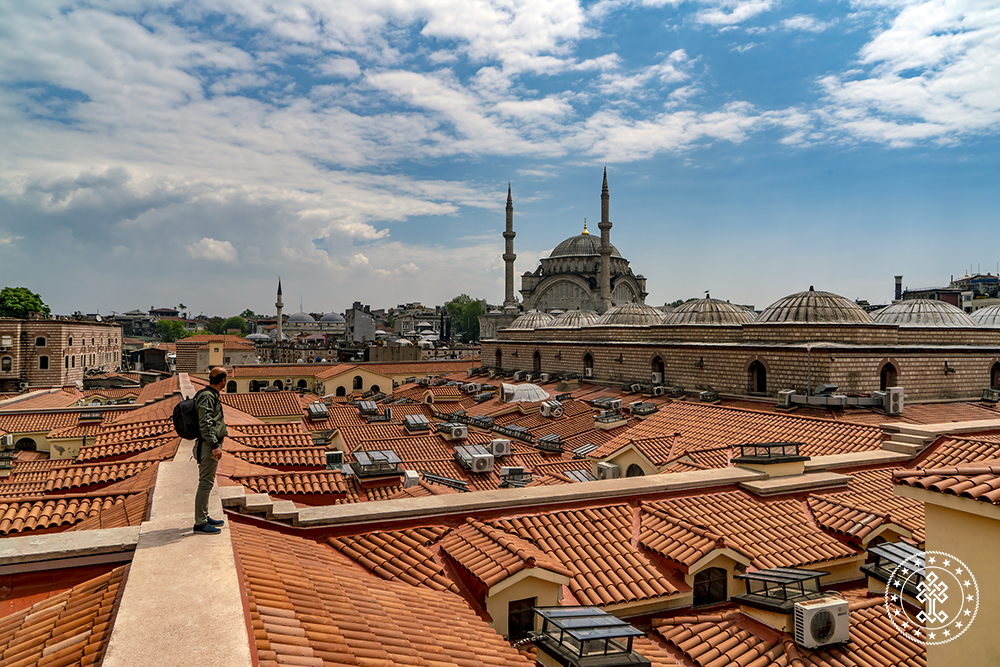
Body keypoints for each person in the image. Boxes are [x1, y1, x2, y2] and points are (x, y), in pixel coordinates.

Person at [193, 367, 228, 534]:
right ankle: (200, 523)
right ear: (223, 381)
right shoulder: (207, 396)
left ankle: (204, 516)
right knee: (205, 484)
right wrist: (214, 445)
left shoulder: (210, 395)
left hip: (209, 444)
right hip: (208, 446)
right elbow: (205, 423)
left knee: (207, 482)